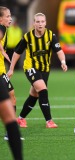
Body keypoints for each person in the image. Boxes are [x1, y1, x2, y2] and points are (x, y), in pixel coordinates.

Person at [7, 13, 68, 128]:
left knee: (34, 95)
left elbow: (59, 51)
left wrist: (63, 62)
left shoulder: (50, 35)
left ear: (45, 23)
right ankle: (49, 121)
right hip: (31, 67)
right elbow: (17, 52)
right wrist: (11, 69)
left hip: (45, 69)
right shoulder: (27, 36)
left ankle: (20, 119)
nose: (40, 24)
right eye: (38, 22)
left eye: (42, 21)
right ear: (34, 23)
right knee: (43, 89)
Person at [0, 6, 23, 160]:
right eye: (7, 16)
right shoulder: (1, 27)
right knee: (11, 100)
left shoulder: (6, 30)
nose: (10, 18)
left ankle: (9, 133)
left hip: (1, 71)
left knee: (12, 96)